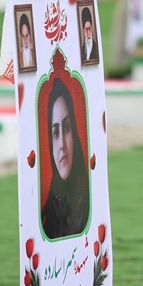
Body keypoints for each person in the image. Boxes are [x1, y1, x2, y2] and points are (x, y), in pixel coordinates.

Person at [41, 79, 89, 239]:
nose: (61, 144)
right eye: (55, 133)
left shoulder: (89, 201)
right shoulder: (48, 213)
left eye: (67, 128)